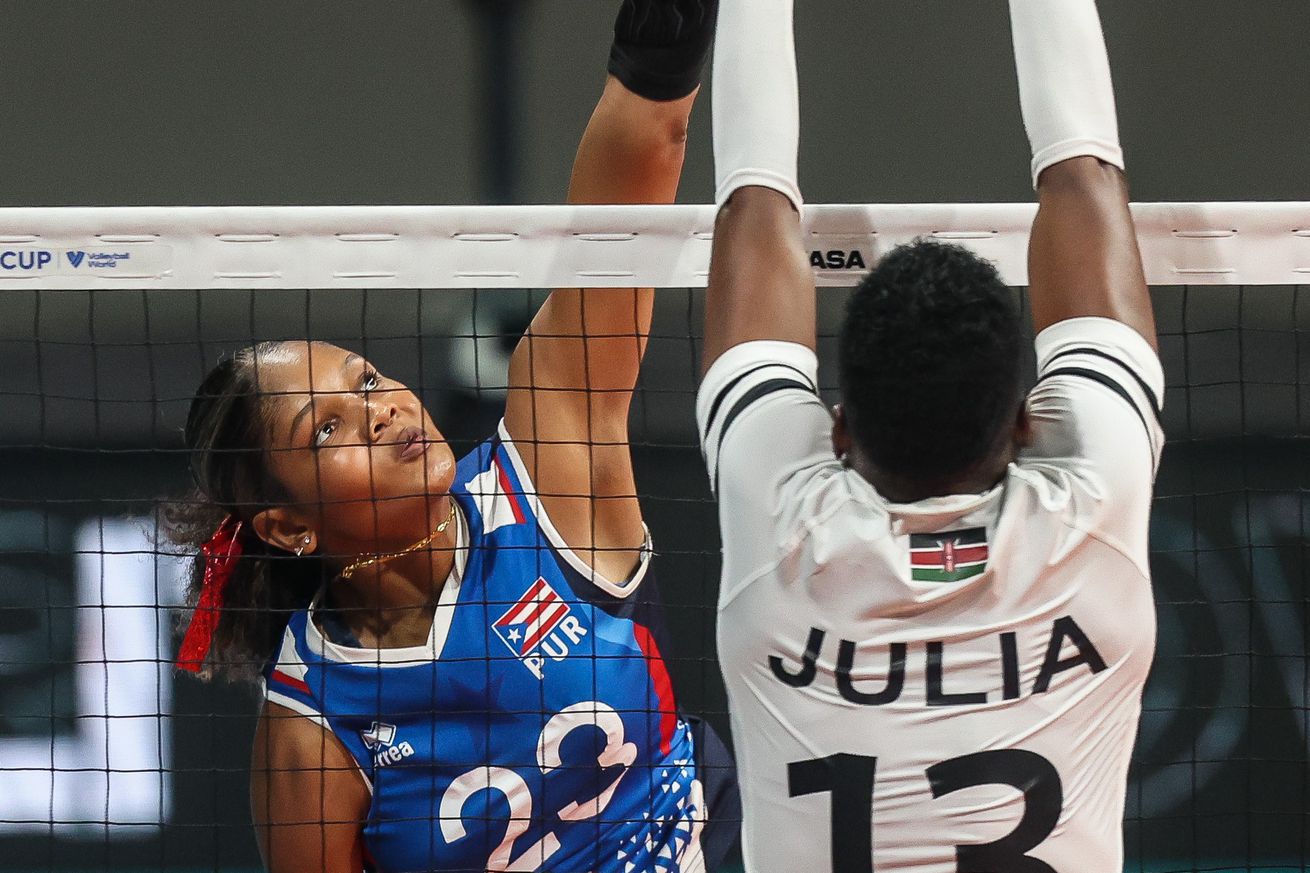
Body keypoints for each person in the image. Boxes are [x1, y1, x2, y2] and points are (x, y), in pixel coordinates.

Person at [168, 2, 737, 871]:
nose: (383, 407)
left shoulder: (543, 465)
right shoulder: (312, 724)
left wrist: (653, 62)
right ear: (288, 525)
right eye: (328, 427)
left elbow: (622, 218)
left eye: (367, 380)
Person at [698, 0, 1161, 870]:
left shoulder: (776, 533)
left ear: (838, 428)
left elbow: (754, 212)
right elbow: (1087, 179)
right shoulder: (1095, 519)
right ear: (1026, 421)